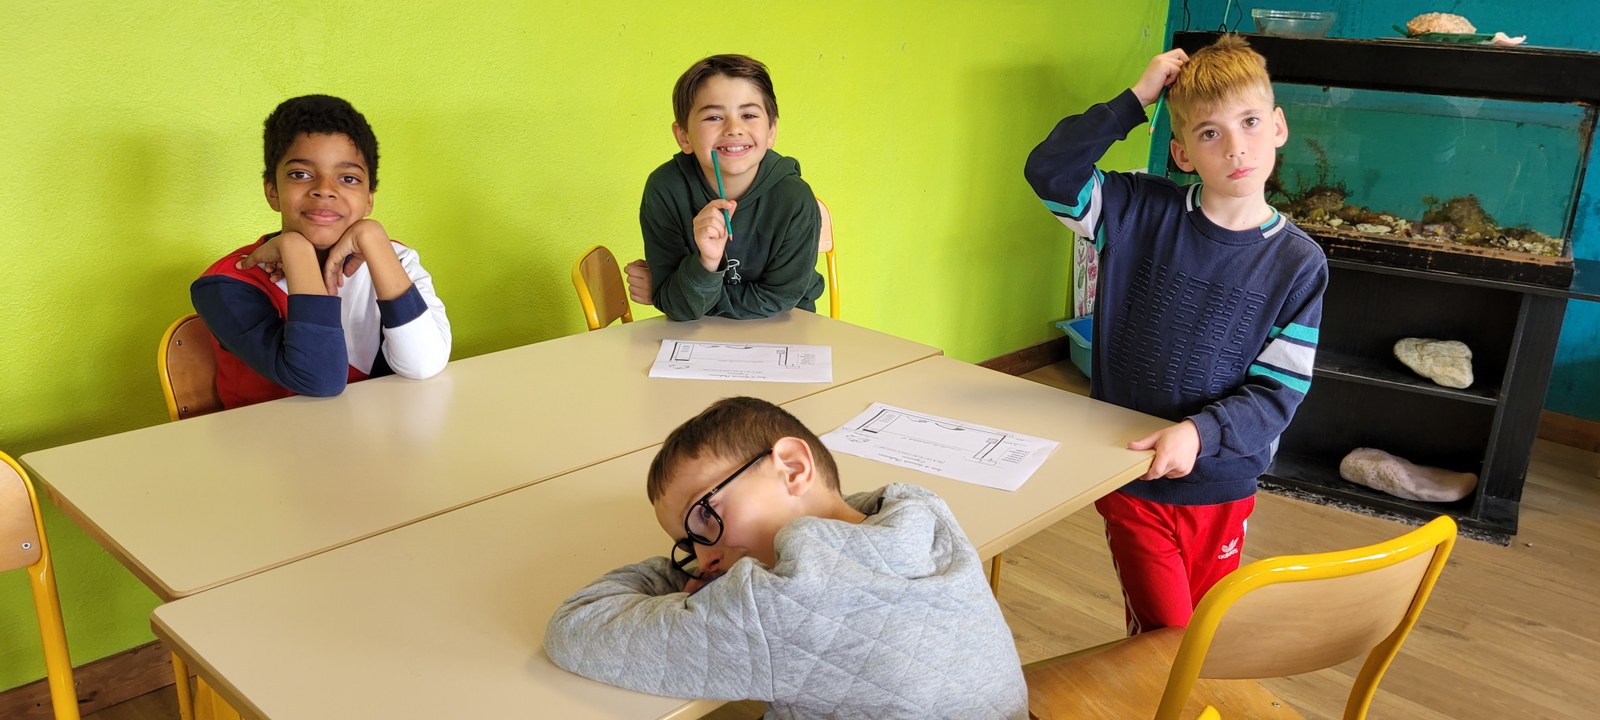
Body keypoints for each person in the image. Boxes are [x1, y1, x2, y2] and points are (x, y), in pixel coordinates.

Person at [1024, 36, 1328, 633]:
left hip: (1224, 483)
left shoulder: (1299, 263)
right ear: (1182, 153)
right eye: (1210, 133)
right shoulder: (1134, 211)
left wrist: (1200, 433)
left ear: (1278, 127)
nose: (1235, 146)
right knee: (1164, 633)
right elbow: (1050, 171)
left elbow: (1279, 392)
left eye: (1249, 123)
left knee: (1201, 634)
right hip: (1130, 473)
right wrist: (1136, 98)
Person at [545, 397, 1028, 719]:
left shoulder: (776, 603)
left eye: (705, 515)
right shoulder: (916, 513)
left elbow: (575, 626)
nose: (705, 559)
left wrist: (676, 578)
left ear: (793, 467)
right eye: (688, 546)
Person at [191, 95, 450, 409]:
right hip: (271, 438)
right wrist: (295, 248)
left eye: (349, 178)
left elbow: (423, 364)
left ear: (369, 199)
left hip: (381, 433)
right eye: (300, 174)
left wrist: (373, 236)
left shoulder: (392, 259)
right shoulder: (227, 284)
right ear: (272, 190)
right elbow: (321, 379)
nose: (325, 189)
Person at [624, 54, 825, 320]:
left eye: (749, 115)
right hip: (695, 332)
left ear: (771, 132)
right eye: (714, 117)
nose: (733, 128)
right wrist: (706, 262)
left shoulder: (794, 198)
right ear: (684, 136)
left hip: (785, 324)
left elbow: (779, 299)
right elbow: (676, 304)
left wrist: (686, 294)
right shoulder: (665, 189)